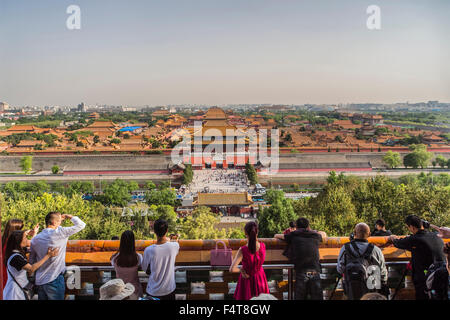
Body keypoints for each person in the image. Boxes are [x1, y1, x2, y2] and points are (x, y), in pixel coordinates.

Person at [388, 215, 447, 300]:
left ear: (411, 227)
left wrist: (392, 238)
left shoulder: (414, 240)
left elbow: (398, 242)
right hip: (442, 276)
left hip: (424, 279)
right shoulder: (436, 236)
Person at [30, 212, 86, 300]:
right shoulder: (61, 233)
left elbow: (31, 261)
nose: (61, 223)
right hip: (54, 278)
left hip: (40, 280)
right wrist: (69, 216)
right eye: (60, 221)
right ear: (53, 223)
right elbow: (81, 225)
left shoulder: (35, 239)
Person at [275, 217, 327, 300]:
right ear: (308, 226)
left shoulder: (293, 235)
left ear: (297, 227)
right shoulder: (315, 235)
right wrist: (315, 231)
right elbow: (324, 234)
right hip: (314, 269)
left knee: (300, 296)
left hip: (301, 270)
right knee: (317, 297)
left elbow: (277, 235)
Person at [337, 223, 388, 300]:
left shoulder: (345, 248)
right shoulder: (376, 250)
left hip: (351, 289)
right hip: (371, 291)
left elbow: (340, 269)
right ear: (369, 234)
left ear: (354, 233)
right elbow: (383, 273)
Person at [3, 230, 59, 300]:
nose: (27, 239)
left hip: (19, 290)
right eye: (25, 238)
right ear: (19, 241)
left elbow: (32, 246)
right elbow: (31, 268)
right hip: (14, 293)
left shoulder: (19, 251)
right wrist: (48, 256)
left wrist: (34, 233)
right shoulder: (15, 258)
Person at [229, 221, 269, 300]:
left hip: (247, 280)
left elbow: (232, 269)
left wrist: (241, 270)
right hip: (260, 278)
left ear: (245, 233)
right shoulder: (263, 246)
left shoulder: (243, 250)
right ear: (257, 232)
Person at [141, 219, 179, 300]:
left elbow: (144, 268)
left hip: (153, 291)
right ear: (167, 230)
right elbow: (171, 242)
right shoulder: (174, 246)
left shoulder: (148, 250)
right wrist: (169, 239)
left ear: (154, 231)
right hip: (169, 290)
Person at [2, 219, 39, 289]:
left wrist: (26, 233)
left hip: (5, 272)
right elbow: (31, 243)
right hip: (13, 276)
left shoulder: (4, 240)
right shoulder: (13, 243)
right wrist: (34, 234)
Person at [110, 230, 143, 299]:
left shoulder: (114, 258)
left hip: (120, 292)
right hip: (135, 291)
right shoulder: (138, 257)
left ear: (121, 242)